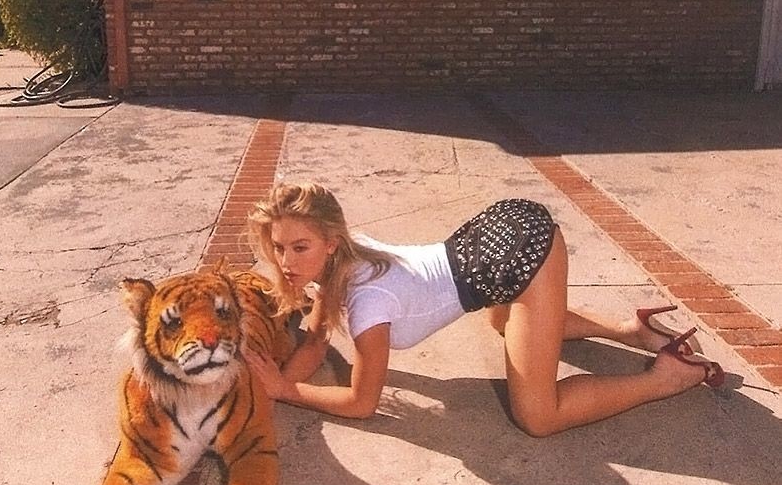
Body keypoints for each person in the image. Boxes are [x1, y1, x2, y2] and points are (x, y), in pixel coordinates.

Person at [243, 182, 724, 437]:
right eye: (278, 247)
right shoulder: (342, 259)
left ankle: (666, 376)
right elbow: (315, 340)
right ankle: (630, 329)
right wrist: (277, 382)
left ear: (330, 242)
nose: (286, 262)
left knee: (539, 417)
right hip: (490, 241)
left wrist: (285, 391)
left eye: (299, 247)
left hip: (523, 251)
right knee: (505, 320)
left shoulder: (369, 302)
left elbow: (361, 402)